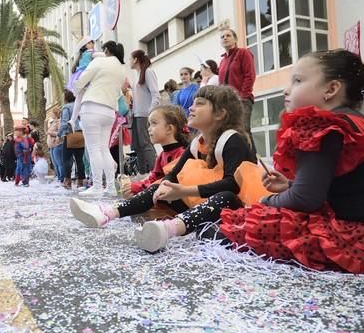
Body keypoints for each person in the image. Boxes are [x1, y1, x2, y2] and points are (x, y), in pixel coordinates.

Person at [183, 49, 364, 279]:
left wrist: (268, 201)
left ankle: (216, 233)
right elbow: (357, 186)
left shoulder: (321, 125)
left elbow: (305, 200)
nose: (286, 89)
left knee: (271, 221)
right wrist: (291, 185)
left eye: (297, 81)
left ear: (331, 89)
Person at [70, 86, 255, 242]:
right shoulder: (197, 143)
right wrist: (163, 187)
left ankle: (168, 230)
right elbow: (172, 175)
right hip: (201, 203)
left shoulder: (233, 140)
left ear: (220, 114)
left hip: (236, 208)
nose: (191, 108)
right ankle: (108, 213)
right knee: (161, 185)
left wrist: (182, 191)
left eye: (199, 104)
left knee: (227, 195)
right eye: (193, 102)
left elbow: (232, 184)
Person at [74, 41, 127, 197]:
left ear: (106, 50)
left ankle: (97, 186)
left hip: (92, 106)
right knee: (104, 148)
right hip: (109, 111)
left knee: (93, 149)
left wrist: (78, 87)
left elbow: (81, 81)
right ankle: (110, 186)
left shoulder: (100, 61)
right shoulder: (120, 68)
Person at [120, 105, 189, 197]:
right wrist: (136, 186)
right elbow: (154, 177)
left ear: (169, 128)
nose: (149, 129)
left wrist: (138, 187)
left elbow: (167, 182)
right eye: (149, 124)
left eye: (154, 123)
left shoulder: (181, 154)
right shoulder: (163, 154)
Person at [218, 24, 256, 154]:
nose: (225, 38)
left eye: (228, 35)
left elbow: (249, 76)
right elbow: (221, 83)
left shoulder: (243, 53)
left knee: (243, 130)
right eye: (222, 36)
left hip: (242, 100)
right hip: (227, 103)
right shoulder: (222, 61)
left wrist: (243, 97)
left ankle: (252, 161)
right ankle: (238, 161)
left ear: (235, 39)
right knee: (230, 134)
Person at [130, 49, 160, 174]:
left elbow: (156, 95)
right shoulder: (138, 75)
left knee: (146, 144)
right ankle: (143, 174)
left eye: (131, 59)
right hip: (137, 115)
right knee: (138, 146)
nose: (129, 62)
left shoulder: (148, 72)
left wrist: (150, 113)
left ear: (136, 59)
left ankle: (156, 173)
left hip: (145, 115)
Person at [59, 89, 86, 189]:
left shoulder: (66, 107)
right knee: (80, 160)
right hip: (80, 134)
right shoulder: (79, 105)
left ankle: (68, 181)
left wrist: (59, 134)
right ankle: (81, 181)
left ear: (66, 97)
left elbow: (65, 122)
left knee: (66, 159)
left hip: (70, 135)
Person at [47, 108, 64, 184]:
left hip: (57, 144)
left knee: (59, 162)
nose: (51, 115)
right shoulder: (53, 122)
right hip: (51, 146)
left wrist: (51, 133)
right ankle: (58, 177)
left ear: (56, 114)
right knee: (54, 163)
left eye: (52, 113)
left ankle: (62, 178)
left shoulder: (59, 121)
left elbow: (60, 133)